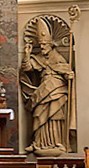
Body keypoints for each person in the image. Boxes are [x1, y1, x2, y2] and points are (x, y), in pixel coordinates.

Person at [22, 20, 74, 154]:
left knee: (55, 115)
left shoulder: (57, 57)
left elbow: (65, 70)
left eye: (45, 44)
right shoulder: (39, 57)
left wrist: (69, 75)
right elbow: (27, 68)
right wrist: (27, 54)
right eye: (41, 44)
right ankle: (38, 142)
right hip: (43, 89)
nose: (42, 46)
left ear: (51, 44)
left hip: (57, 90)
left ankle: (57, 142)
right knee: (39, 112)